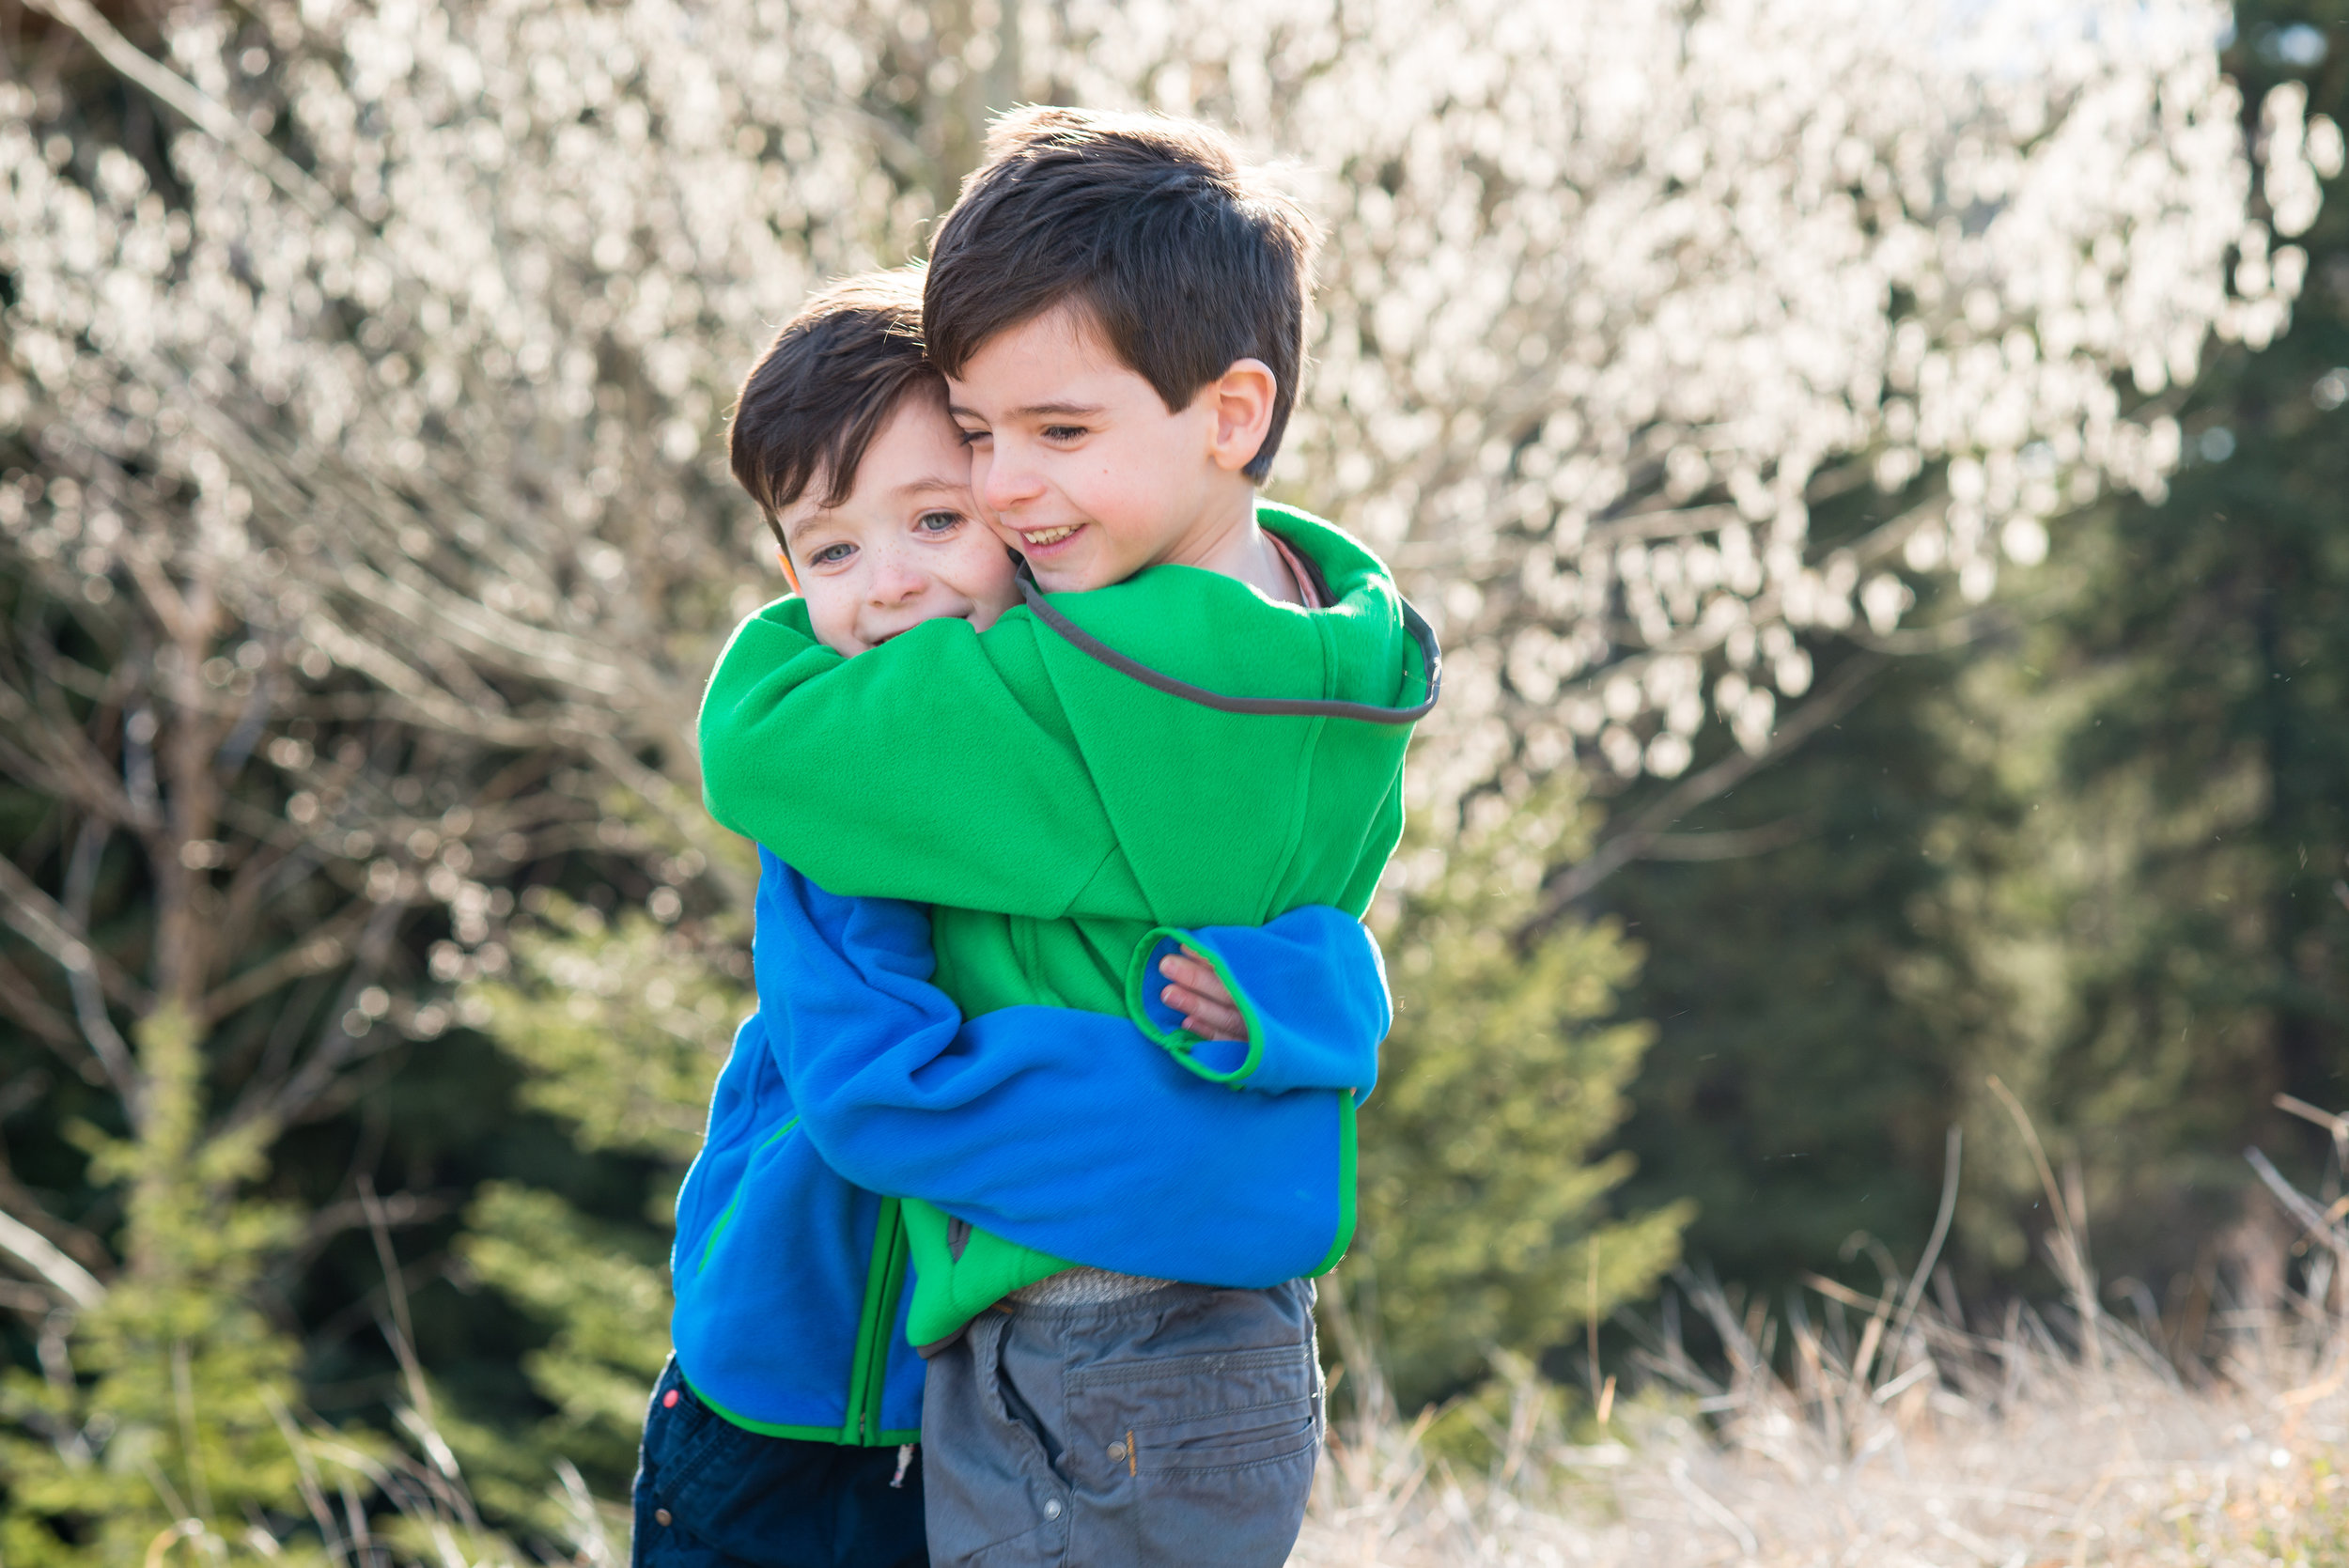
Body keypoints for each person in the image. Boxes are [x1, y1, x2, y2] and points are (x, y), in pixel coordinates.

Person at [697, 109, 1438, 1566]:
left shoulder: (1073, 688)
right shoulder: (1338, 640)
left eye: (1059, 431)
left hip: (1083, 1336)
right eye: (976, 436)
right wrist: (1307, 1021)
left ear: (1234, 412)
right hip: (1235, 1337)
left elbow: (760, 742)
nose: (1007, 491)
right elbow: (1327, 939)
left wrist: (845, 569)